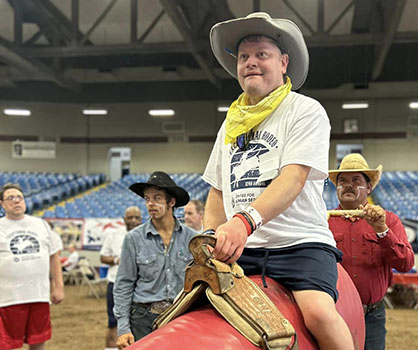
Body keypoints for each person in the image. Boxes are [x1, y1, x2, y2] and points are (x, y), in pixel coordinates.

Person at [203, 12, 354, 350]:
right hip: (244, 248)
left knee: (318, 315)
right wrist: (213, 237)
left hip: (300, 244)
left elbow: (293, 178)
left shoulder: (304, 110)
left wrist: (243, 222)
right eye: (243, 57)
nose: (250, 63)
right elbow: (216, 190)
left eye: (262, 55)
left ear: (283, 62)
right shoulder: (230, 124)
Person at [328, 153, 415, 350]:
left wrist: (382, 230)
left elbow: (405, 264)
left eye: (356, 180)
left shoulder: (389, 220)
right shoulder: (323, 221)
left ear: (369, 187)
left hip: (372, 315)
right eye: (343, 181)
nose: (348, 185)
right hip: (333, 313)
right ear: (337, 187)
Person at [113, 172, 197, 349]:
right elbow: (123, 284)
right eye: (147, 198)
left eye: (157, 198)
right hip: (143, 319)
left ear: (171, 202)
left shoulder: (193, 239)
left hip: (181, 317)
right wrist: (123, 328)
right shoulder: (133, 239)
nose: (150, 204)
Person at [0, 183, 64, 350]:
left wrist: (59, 287)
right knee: (8, 343)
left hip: (38, 295)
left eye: (19, 198)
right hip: (8, 298)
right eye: (10, 198)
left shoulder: (40, 224)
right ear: (2, 204)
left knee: (38, 340)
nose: (16, 201)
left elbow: (54, 256)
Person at [100, 206, 142, 350]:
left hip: (140, 288)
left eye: (137, 217)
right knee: (114, 324)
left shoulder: (145, 236)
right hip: (115, 285)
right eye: (130, 217)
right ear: (124, 219)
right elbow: (103, 257)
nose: (134, 221)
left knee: (138, 325)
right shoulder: (113, 235)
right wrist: (119, 260)